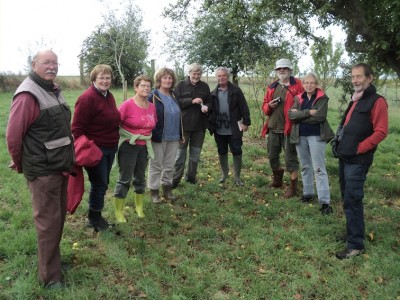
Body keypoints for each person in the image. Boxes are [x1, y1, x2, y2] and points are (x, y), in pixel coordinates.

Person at [6, 49, 74, 289]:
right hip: (43, 170)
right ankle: (50, 278)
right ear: (34, 65)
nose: (52, 67)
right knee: (47, 223)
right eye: (46, 62)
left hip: (59, 165)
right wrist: (22, 162)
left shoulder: (52, 89)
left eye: (55, 62)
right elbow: (14, 136)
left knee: (57, 219)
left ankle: (52, 262)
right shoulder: (28, 95)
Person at [334, 63, 388, 259]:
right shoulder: (356, 100)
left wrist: (359, 148)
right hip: (345, 156)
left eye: (359, 76)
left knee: (353, 199)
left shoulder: (377, 101)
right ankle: (352, 234)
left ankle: (356, 245)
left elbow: (381, 131)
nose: (355, 80)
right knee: (346, 196)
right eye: (353, 77)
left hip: (358, 160)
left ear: (370, 78)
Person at [72, 64, 121, 231]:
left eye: (108, 78)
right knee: (100, 184)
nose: (105, 81)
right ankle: (94, 219)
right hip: (96, 149)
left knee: (103, 182)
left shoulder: (109, 96)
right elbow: (77, 129)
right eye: (101, 78)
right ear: (94, 79)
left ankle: (96, 215)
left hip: (110, 146)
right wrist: (88, 148)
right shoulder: (87, 98)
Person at [289, 72, 335, 214]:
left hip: (316, 136)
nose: (309, 85)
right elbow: (291, 115)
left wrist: (300, 115)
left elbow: (320, 117)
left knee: (319, 168)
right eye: (306, 83)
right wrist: (309, 112)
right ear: (303, 84)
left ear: (316, 84)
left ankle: (325, 202)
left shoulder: (322, 98)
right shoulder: (299, 97)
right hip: (300, 135)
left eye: (312, 83)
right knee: (305, 166)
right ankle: (308, 194)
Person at [113, 75, 157, 222]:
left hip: (144, 146)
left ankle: (139, 207)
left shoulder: (151, 106)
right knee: (125, 178)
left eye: (148, 86)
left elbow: (153, 124)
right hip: (128, 146)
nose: (146, 88)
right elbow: (115, 124)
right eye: (143, 85)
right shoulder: (127, 105)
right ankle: (119, 211)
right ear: (136, 87)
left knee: (140, 178)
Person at [261, 58, 304, 198]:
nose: (282, 70)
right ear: (276, 71)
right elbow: (265, 106)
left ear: (290, 70)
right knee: (272, 157)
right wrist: (269, 106)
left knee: (290, 159)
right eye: (279, 69)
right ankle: (277, 181)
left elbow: (305, 102)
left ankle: (293, 188)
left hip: (289, 129)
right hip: (273, 127)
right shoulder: (272, 86)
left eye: (284, 68)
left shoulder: (298, 85)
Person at [208, 67, 251, 186]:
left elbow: (244, 107)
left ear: (228, 77)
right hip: (219, 128)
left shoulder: (236, 91)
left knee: (237, 151)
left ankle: (237, 177)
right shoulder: (213, 94)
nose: (221, 78)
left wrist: (246, 122)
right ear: (216, 78)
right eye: (219, 76)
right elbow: (209, 110)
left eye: (224, 76)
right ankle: (224, 174)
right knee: (222, 151)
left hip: (234, 128)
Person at [172, 63, 211, 188]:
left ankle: (191, 177)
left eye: (199, 74)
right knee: (179, 155)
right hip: (183, 126)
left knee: (195, 154)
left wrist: (207, 107)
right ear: (189, 73)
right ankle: (175, 180)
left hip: (199, 127)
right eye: (194, 73)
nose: (196, 76)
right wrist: (192, 101)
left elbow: (210, 101)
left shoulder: (204, 86)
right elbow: (176, 103)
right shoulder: (180, 86)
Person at [147, 68, 183, 203]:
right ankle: (154, 193)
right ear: (159, 80)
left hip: (174, 136)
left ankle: (167, 191)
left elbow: (179, 116)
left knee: (169, 165)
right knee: (156, 165)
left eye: (170, 78)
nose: (168, 80)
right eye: (165, 78)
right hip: (158, 136)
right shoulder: (153, 96)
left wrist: (180, 133)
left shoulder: (174, 96)